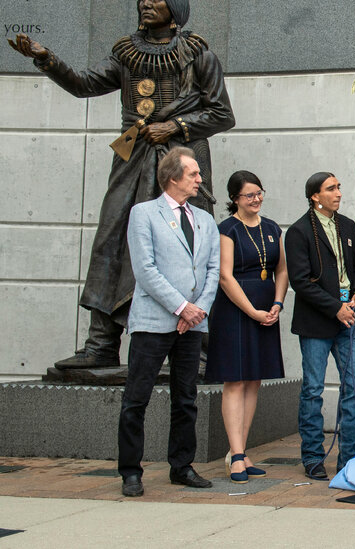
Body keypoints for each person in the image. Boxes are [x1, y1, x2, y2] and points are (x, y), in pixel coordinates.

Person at [7, 0, 235, 369]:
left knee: (185, 248)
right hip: (132, 156)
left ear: (175, 7)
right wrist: (46, 58)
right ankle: (101, 343)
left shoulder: (198, 55)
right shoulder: (126, 53)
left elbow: (223, 113)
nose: (145, 3)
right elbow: (83, 84)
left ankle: (194, 345)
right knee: (111, 239)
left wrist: (175, 126)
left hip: (180, 158)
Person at [118, 146, 220, 497]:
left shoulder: (205, 220)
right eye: (193, 174)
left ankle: (182, 466)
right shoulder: (144, 213)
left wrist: (198, 310)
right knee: (137, 398)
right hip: (153, 323)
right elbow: (145, 270)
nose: (199, 179)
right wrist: (181, 307)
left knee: (186, 398)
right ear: (173, 177)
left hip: (192, 326)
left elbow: (212, 270)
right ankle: (131, 471)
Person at [205, 171, 287, 483]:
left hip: (267, 310)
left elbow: (281, 269)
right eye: (248, 195)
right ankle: (236, 454)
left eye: (259, 193)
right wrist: (253, 311)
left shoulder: (271, 228)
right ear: (235, 199)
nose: (256, 199)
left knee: (254, 380)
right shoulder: (227, 229)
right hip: (236, 311)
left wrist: (277, 303)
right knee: (235, 381)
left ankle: (241, 449)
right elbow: (225, 276)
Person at [286, 172, 355, 480]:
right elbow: (301, 282)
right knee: (313, 389)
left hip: (349, 318)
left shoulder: (347, 226)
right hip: (317, 322)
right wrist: (335, 308)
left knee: (354, 387)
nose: (338, 193)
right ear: (315, 196)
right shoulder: (299, 231)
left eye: (338, 187)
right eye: (330, 189)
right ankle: (313, 457)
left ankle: (350, 456)